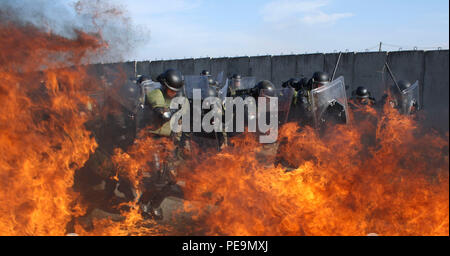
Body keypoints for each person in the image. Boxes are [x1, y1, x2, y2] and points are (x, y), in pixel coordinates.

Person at [139, 68, 186, 220]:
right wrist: (175, 112)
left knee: (171, 179)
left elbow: (180, 120)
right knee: (158, 177)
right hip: (152, 140)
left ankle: (155, 205)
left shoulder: (178, 98)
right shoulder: (155, 94)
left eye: (176, 91)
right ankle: (143, 203)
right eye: (171, 90)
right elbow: (163, 113)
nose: (173, 93)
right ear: (164, 86)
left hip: (168, 142)